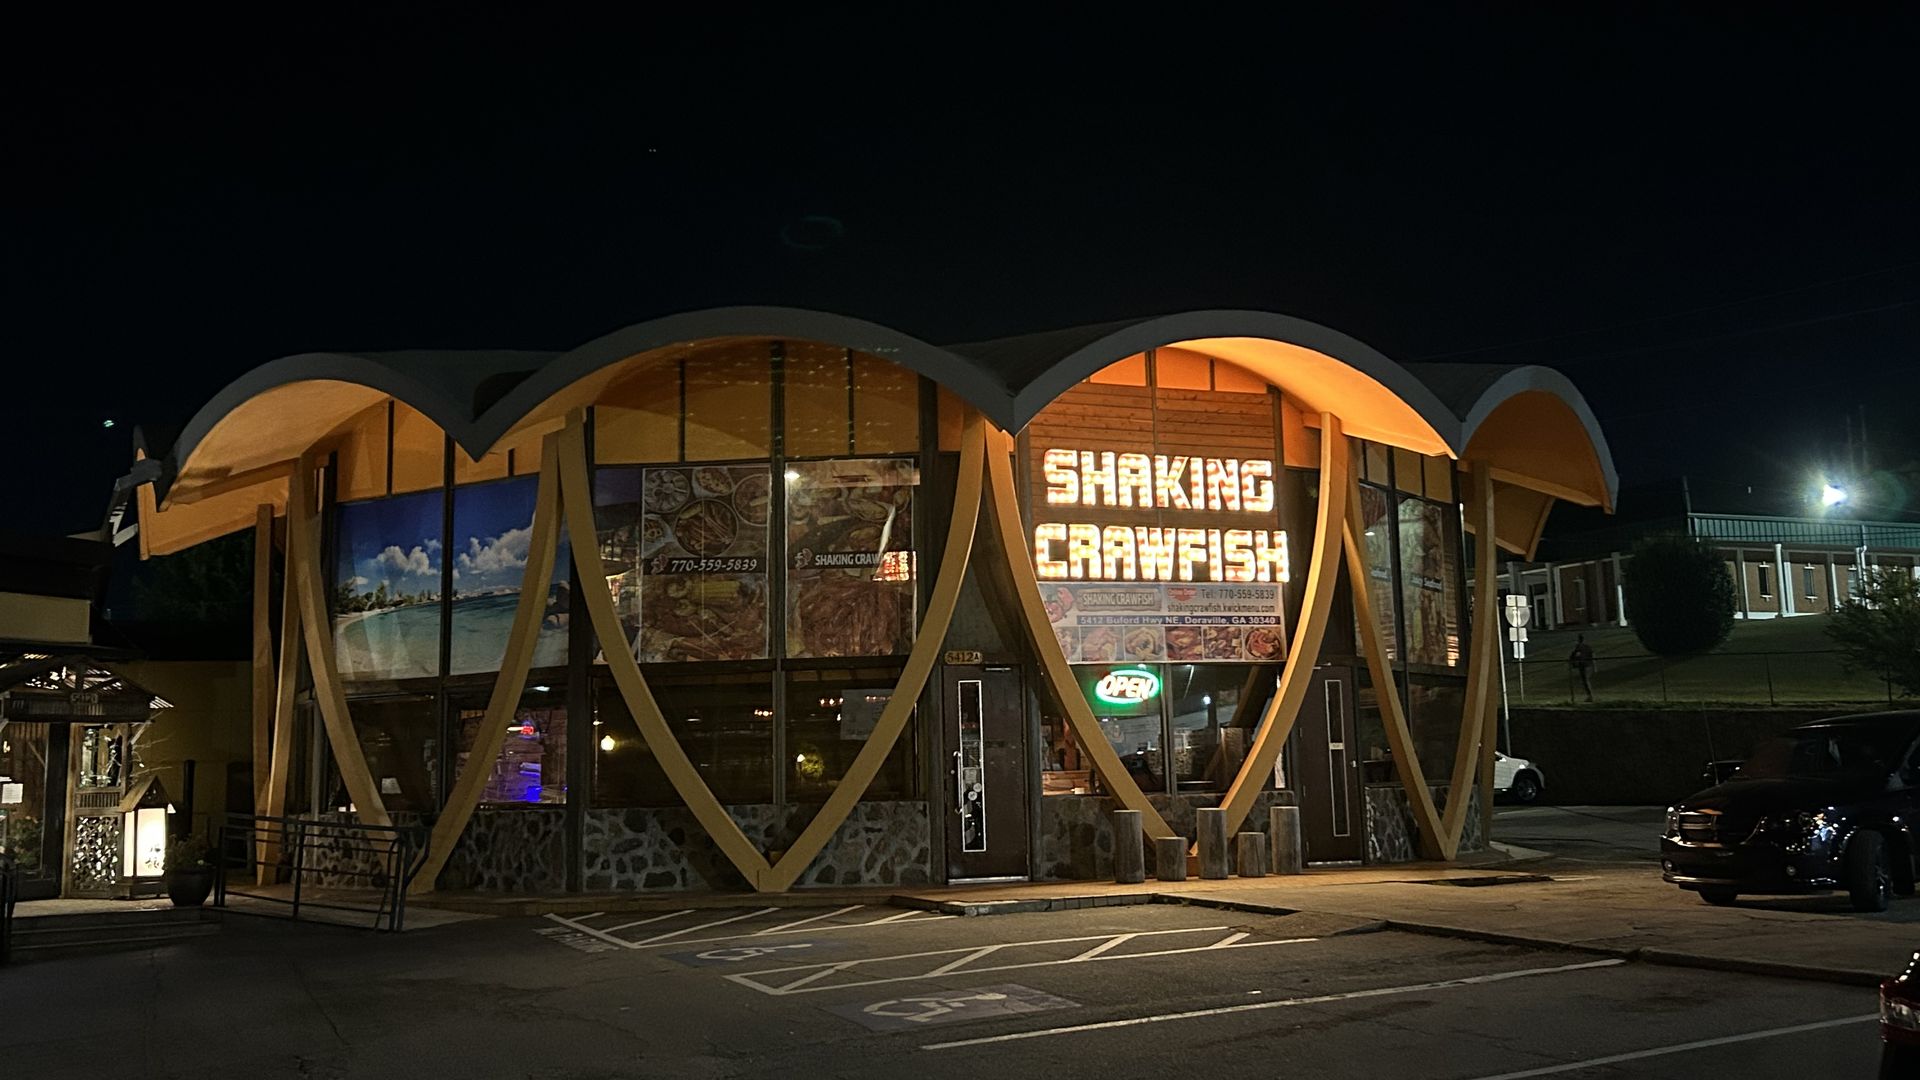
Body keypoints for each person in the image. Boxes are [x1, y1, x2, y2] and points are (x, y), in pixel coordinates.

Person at [1569, 634, 1596, 702]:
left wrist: (1573, 661)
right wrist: (1594, 666)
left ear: (1578, 640)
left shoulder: (1578, 647)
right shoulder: (1587, 646)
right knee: (1586, 680)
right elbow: (1592, 655)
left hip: (1583, 665)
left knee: (1585, 681)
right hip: (1588, 665)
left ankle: (1590, 696)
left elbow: (1576, 655)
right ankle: (1589, 695)